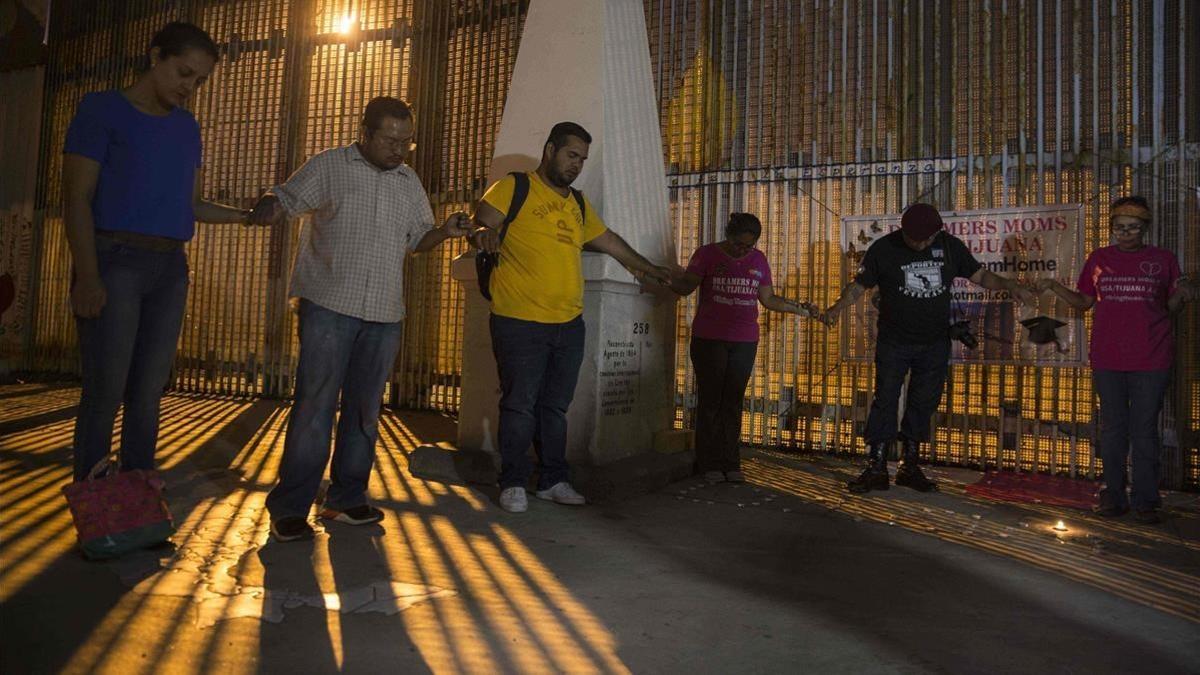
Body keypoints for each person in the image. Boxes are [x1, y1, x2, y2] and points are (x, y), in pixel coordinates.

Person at [251, 97, 471, 541]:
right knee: (314, 408)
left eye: (406, 143)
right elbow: (287, 199)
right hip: (328, 306)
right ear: (365, 133)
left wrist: (444, 231)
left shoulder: (409, 182)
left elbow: (417, 241)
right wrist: (266, 205)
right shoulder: (330, 165)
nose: (398, 150)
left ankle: (346, 500)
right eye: (390, 140)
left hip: (384, 313)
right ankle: (291, 507)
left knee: (365, 411)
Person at [63, 22, 254, 482]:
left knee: (148, 393)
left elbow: (190, 205)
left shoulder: (187, 128)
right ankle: (96, 512)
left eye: (200, 81)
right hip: (115, 261)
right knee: (106, 390)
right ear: (155, 56)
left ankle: (136, 504)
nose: (190, 88)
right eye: (184, 73)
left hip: (169, 269)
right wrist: (88, 276)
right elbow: (76, 199)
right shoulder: (101, 110)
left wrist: (247, 216)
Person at [469, 121, 673, 513]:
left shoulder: (577, 204)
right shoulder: (516, 187)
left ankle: (552, 479)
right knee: (519, 404)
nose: (576, 164)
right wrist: (482, 233)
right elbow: (481, 224)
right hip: (518, 320)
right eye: (570, 155)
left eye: (582, 158)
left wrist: (648, 269)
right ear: (550, 150)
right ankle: (512, 481)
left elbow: (610, 241)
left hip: (567, 324)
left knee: (555, 407)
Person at [820, 203, 1035, 494]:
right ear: (903, 230)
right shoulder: (884, 249)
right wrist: (836, 309)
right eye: (915, 238)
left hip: (934, 341)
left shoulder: (950, 247)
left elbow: (981, 276)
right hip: (894, 340)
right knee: (885, 399)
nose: (921, 243)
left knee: (923, 402)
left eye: (927, 239)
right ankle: (877, 465)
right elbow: (859, 286)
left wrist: (1012, 287)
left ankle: (910, 465)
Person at [1034, 196, 1196, 524]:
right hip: (1108, 358)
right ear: (1112, 228)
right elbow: (1083, 302)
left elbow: (1173, 303)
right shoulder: (1099, 259)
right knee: (1112, 430)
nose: (1126, 234)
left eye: (1133, 228)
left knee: (1145, 430)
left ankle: (1147, 501)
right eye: (1120, 228)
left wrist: (1183, 295)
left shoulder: (1163, 260)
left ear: (1145, 228)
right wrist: (1053, 286)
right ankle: (1113, 495)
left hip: (1152, 357)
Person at [669, 212, 817, 483]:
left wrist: (799, 308)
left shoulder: (758, 260)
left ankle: (731, 462)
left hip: (745, 340)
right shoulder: (707, 255)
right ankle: (708, 463)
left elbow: (769, 299)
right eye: (738, 244)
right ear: (728, 235)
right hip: (709, 338)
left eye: (749, 246)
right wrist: (663, 276)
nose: (743, 250)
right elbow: (686, 287)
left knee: (733, 400)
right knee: (711, 401)